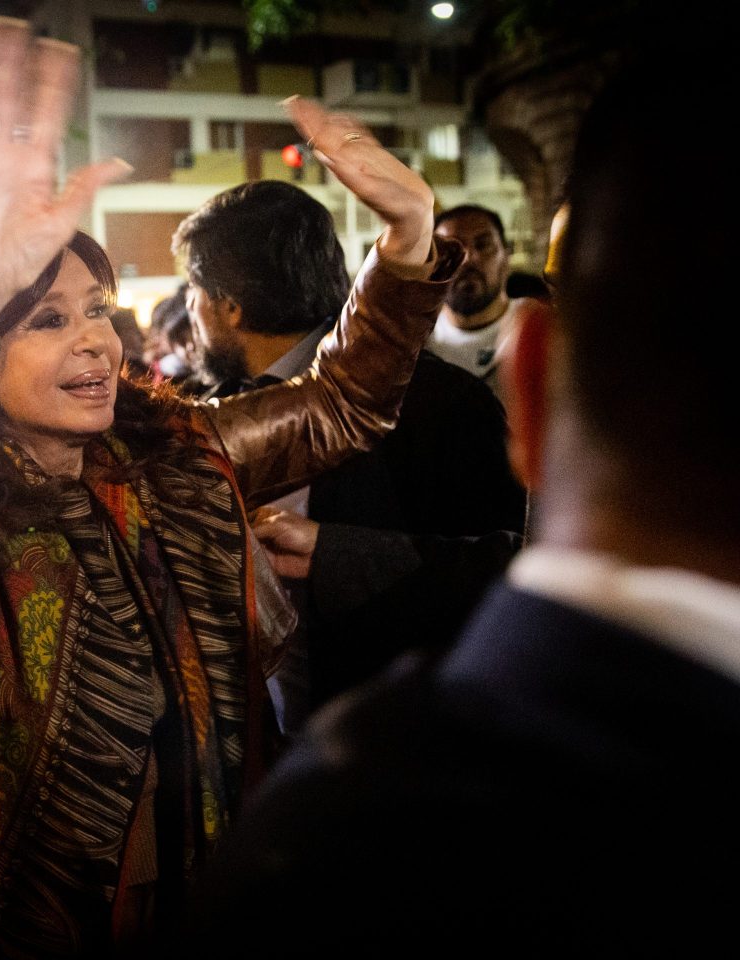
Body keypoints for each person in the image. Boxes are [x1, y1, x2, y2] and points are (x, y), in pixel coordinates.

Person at [0, 19, 458, 955]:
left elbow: (341, 407)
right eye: (47, 320)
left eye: (100, 312)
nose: (96, 343)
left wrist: (407, 240)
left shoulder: (175, 454)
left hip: (223, 879)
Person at [192, 58, 739, 951]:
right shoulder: (193, 427)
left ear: (529, 388)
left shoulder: (345, 834)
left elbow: (478, 540)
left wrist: (339, 552)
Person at [173, 181, 525, 722]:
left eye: (193, 289)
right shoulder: (211, 418)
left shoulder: (442, 404)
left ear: (230, 306)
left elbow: (505, 583)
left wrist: (339, 557)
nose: (189, 311)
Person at [425, 203, 540, 393]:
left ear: (506, 257)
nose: (469, 258)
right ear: (432, 265)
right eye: (454, 248)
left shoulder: (540, 330)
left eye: (483, 245)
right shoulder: (415, 346)